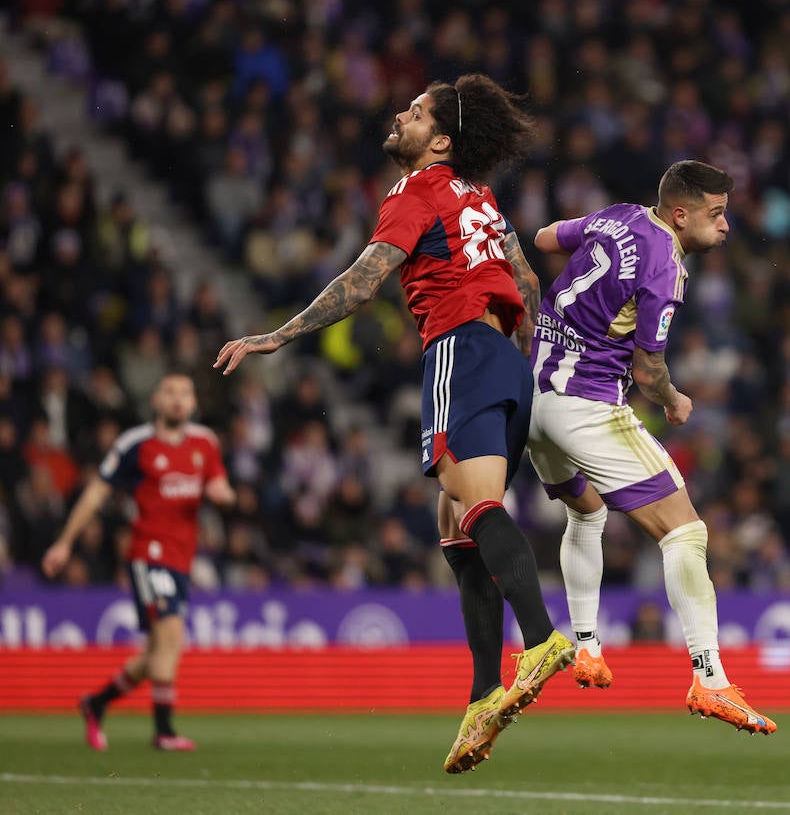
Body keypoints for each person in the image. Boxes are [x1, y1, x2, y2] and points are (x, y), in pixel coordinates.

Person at [215, 74, 573, 774]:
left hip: (460, 350)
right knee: (454, 525)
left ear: (440, 140)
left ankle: (540, 640)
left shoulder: (415, 193)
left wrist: (277, 336)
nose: (398, 116)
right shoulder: (483, 198)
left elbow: (361, 281)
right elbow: (527, 285)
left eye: (414, 113)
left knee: (477, 508)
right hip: (505, 358)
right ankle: (482, 693)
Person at [526, 160, 775, 734]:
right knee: (685, 532)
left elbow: (543, 238)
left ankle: (586, 646)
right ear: (681, 214)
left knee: (585, 512)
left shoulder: (617, 216)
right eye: (717, 215)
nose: (726, 227)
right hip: (586, 404)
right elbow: (646, 368)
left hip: (537, 400)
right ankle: (711, 680)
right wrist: (673, 399)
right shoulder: (665, 263)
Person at [42, 372, 233, 751]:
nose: (178, 399)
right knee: (171, 636)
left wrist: (224, 495)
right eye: (170, 392)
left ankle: (95, 704)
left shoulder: (205, 443)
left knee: (157, 652)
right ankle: (163, 732)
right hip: (149, 554)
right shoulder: (136, 445)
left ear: (193, 403)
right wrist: (64, 543)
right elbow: (96, 493)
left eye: (185, 393)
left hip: (182, 558)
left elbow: (219, 485)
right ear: (156, 402)